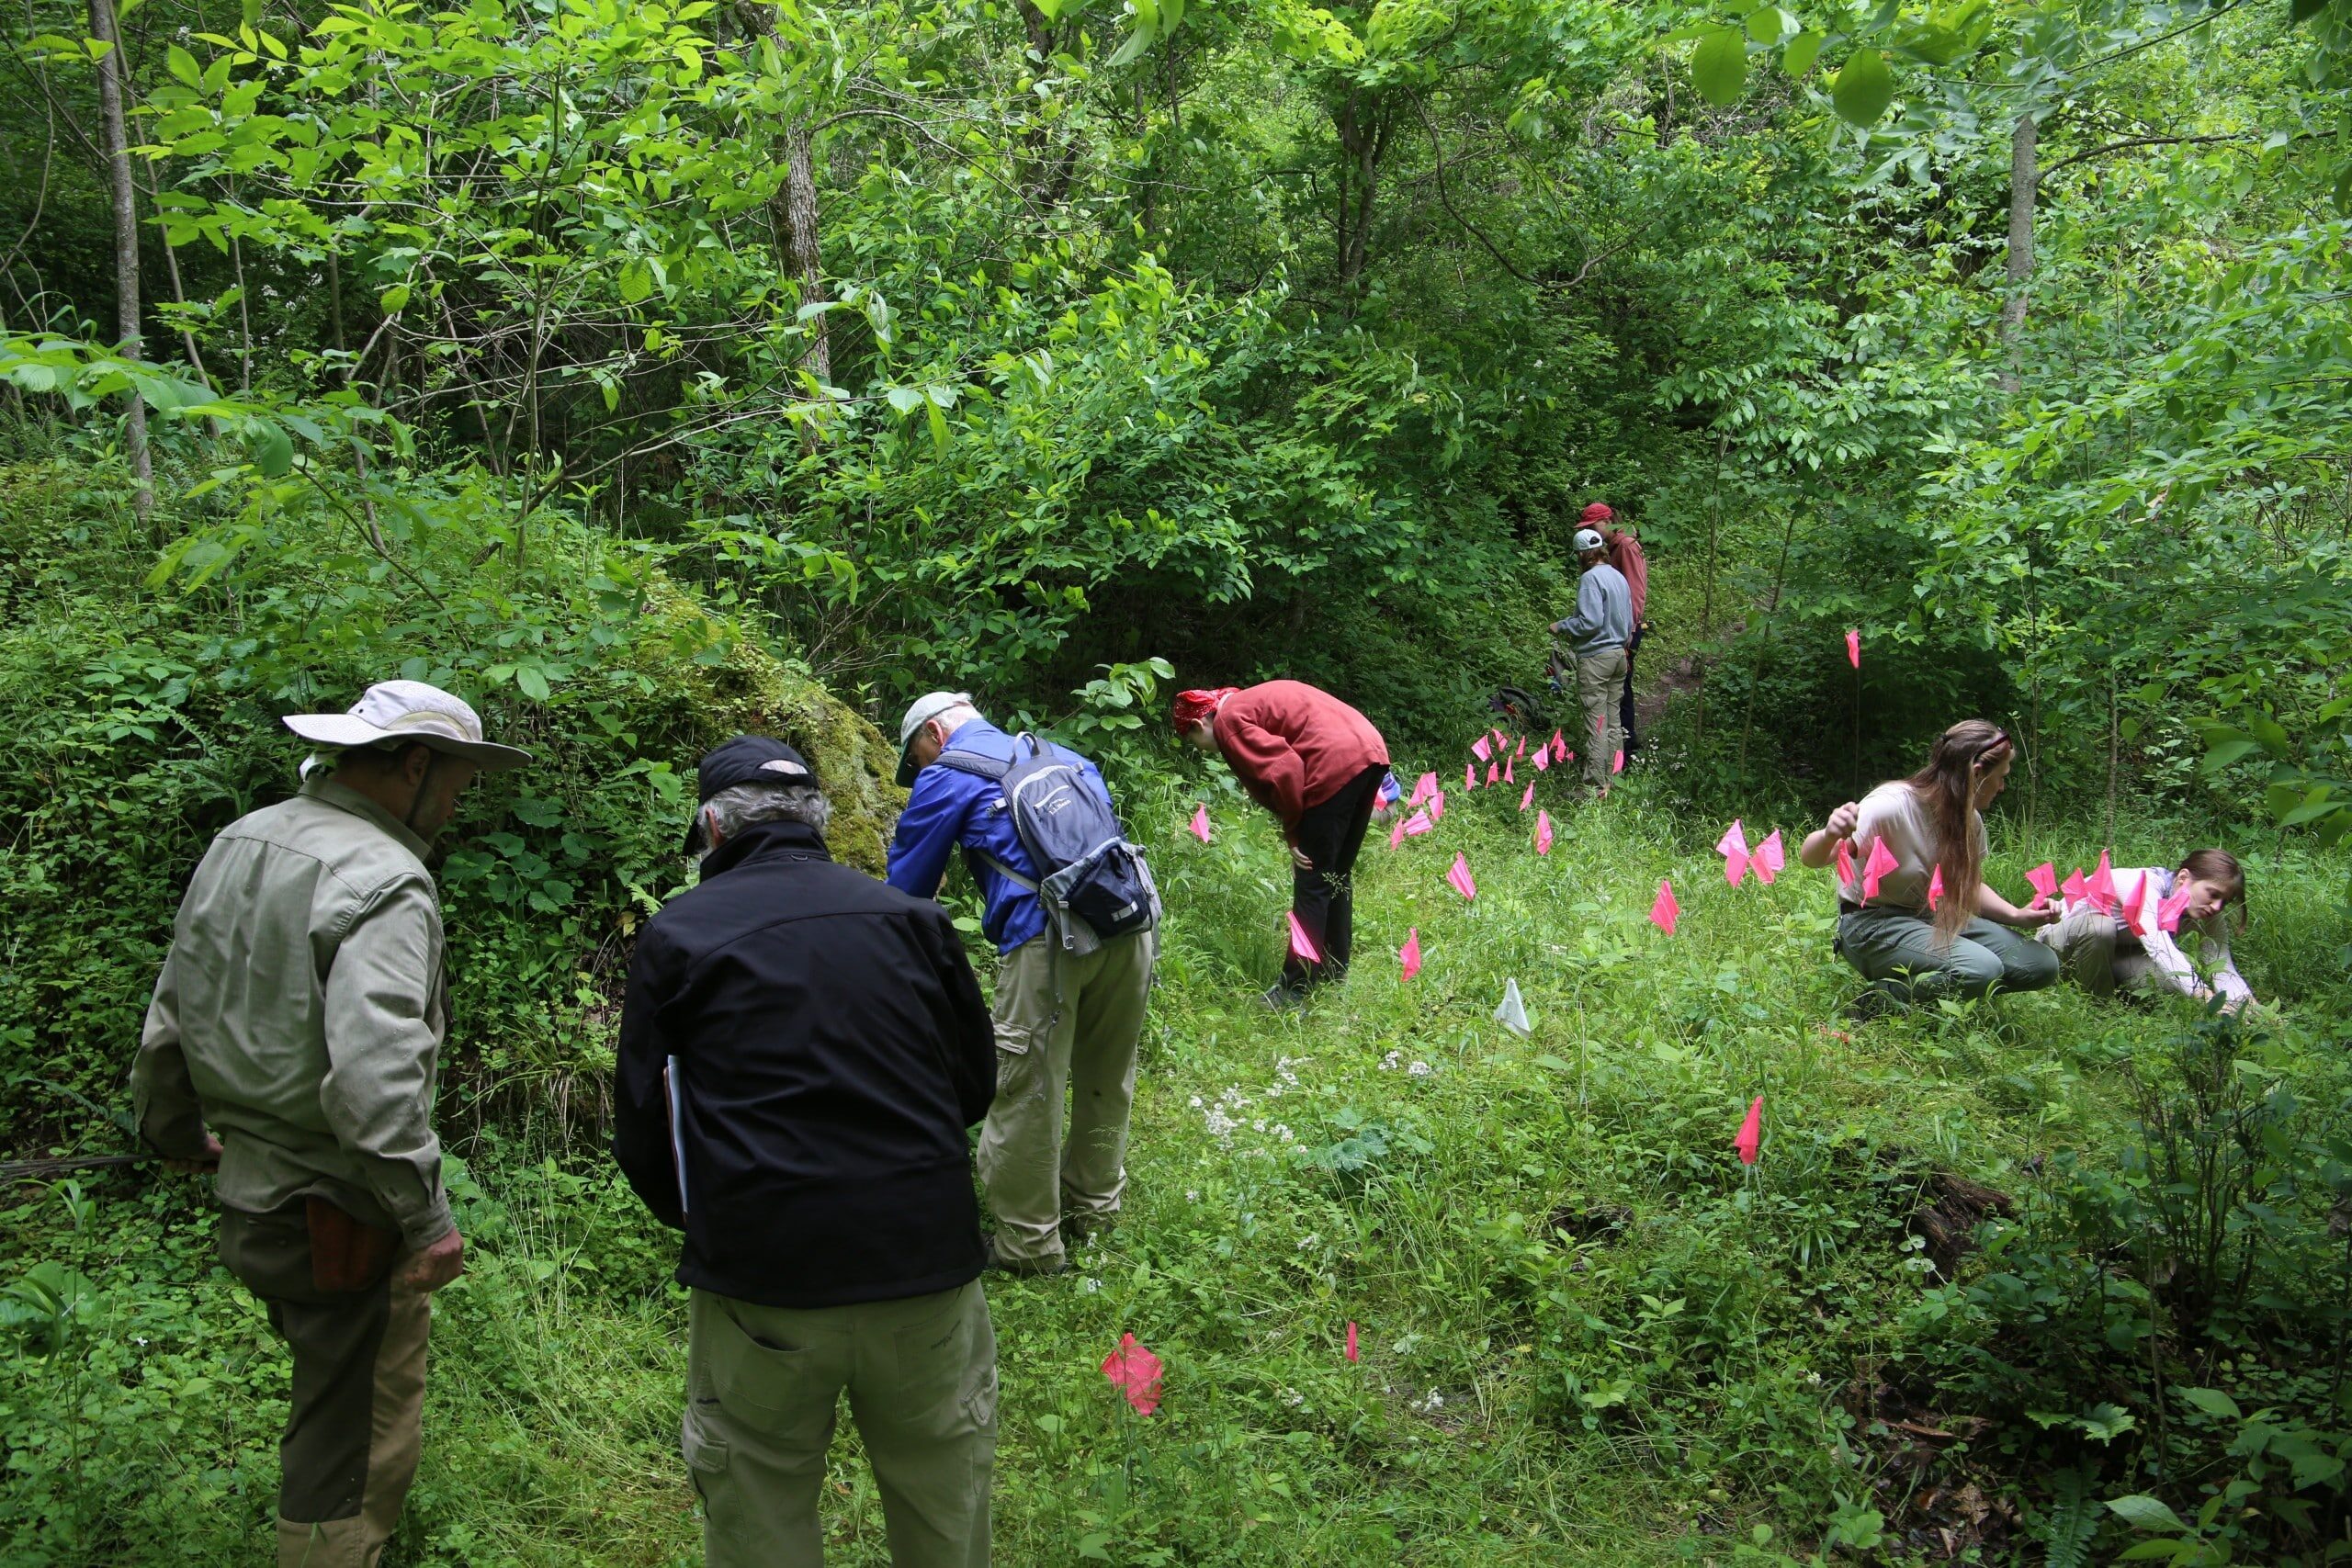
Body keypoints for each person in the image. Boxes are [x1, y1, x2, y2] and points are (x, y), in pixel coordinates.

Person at [132, 680, 530, 1568]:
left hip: (252, 1201)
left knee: (327, 1399)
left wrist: (173, 1134)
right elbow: (375, 1082)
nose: (458, 806)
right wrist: (428, 1219)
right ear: (415, 765)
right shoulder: (388, 881)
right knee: (347, 1439)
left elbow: (171, 1015)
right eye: (459, 783)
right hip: (337, 1211)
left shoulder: (245, 839)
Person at [615, 737, 999, 1568]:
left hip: (762, 1275)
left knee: (757, 1495)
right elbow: (972, 1088)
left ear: (713, 827)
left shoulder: (679, 934)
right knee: (944, 1491)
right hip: (925, 1260)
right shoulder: (915, 921)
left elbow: (643, 1127)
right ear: (818, 821)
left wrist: (715, 1218)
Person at [887, 693, 1159, 1278]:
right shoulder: (1063, 755)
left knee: (1027, 1087)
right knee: (1109, 1072)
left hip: (1049, 942)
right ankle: (1096, 1211)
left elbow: (905, 890)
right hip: (1129, 924)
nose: (921, 769)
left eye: (918, 756)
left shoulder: (948, 775)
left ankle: (1029, 1245)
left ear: (934, 733)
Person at [1797, 719, 2060, 1019]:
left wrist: (2018, 915)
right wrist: (1830, 833)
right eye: (2000, 778)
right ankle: (1875, 1004)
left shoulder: (1969, 821)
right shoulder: (1891, 807)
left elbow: (1965, 887)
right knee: (1981, 968)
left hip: (1933, 915)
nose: (2002, 787)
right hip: (1870, 924)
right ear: (1976, 775)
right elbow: (1813, 858)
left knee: (2040, 964)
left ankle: (1944, 987)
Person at [1172, 681, 1389, 1008]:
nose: (1202, 749)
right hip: (1370, 751)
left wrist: (1294, 833)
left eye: (1194, 742)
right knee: (1336, 875)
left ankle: (1293, 990)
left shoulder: (1229, 722)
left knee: (1313, 882)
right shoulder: (1245, 704)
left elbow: (1286, 770)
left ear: (1198, 723)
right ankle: (1333, 973)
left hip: (1333, 763)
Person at [2035, 848, 2256, 1010]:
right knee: (2100, 927)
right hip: (2058, 943)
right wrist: (2208, 997)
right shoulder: (2142, 885)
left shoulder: (2205, 909)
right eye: (2213, 894)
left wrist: (2254, 1009)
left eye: (2224, 902)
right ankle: (2097, 1009)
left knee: (2168, 983)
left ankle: (2112, 992)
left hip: (2114, 951)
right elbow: (2158, 945)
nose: (2217, 907)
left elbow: (2222, 965)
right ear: (2183, 877)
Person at [1549, 526, 1633, 796]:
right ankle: (1612, 780)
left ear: (1583, 554)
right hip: (1619, 656)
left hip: (1596, 659)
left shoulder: (1590, 579)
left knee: (1596, 724)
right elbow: (1629, 620)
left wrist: (1562, 626)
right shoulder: (1617, 576)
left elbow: (1590, 621)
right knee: (1612, 721)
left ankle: (1595, 787)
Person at [1586, 503, 1650, 758]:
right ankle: (1620, 748)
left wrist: (1627, 635)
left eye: (1594, 526)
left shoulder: (1625, 546)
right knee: (1618, 690)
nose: (1593, 532)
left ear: (1608, 520)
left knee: (1620, 691)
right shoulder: (1614, 547)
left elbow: (1635, 593)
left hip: (1625, 632)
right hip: (1617, 631)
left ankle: (1627, 750)